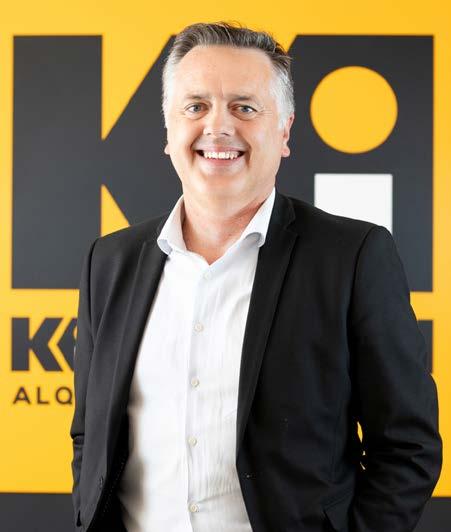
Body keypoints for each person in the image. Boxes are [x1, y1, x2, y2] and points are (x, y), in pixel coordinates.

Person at [70, 21, 442, 532]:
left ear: (284, 131)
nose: (217, 127)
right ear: (168, 130)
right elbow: (89, 437)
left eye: (244, 107)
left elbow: (407, 447)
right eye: (195, 106)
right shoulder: (109, 262)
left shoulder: (352, 257)